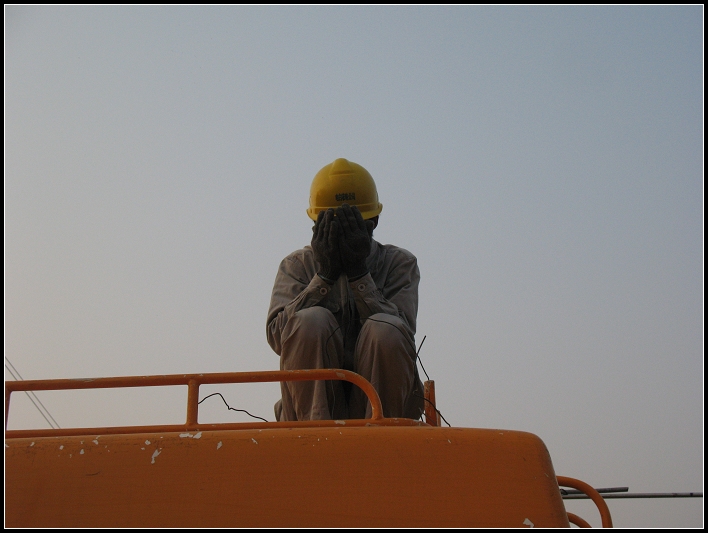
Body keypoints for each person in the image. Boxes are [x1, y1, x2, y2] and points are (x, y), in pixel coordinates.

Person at [266, 158, 424, 421]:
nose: (343, 235)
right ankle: (316, 433)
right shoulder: (296, 266)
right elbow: (277, 337)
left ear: (373, 223)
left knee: (386, 328)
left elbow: (402, 334)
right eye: (333, 226)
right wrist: (324, 276)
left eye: (353, 225)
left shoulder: (399, 263)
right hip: (310, 413)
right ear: (316, 227)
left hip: (383, 411)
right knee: (310, 320)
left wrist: (358, 273)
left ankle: (381, 431)